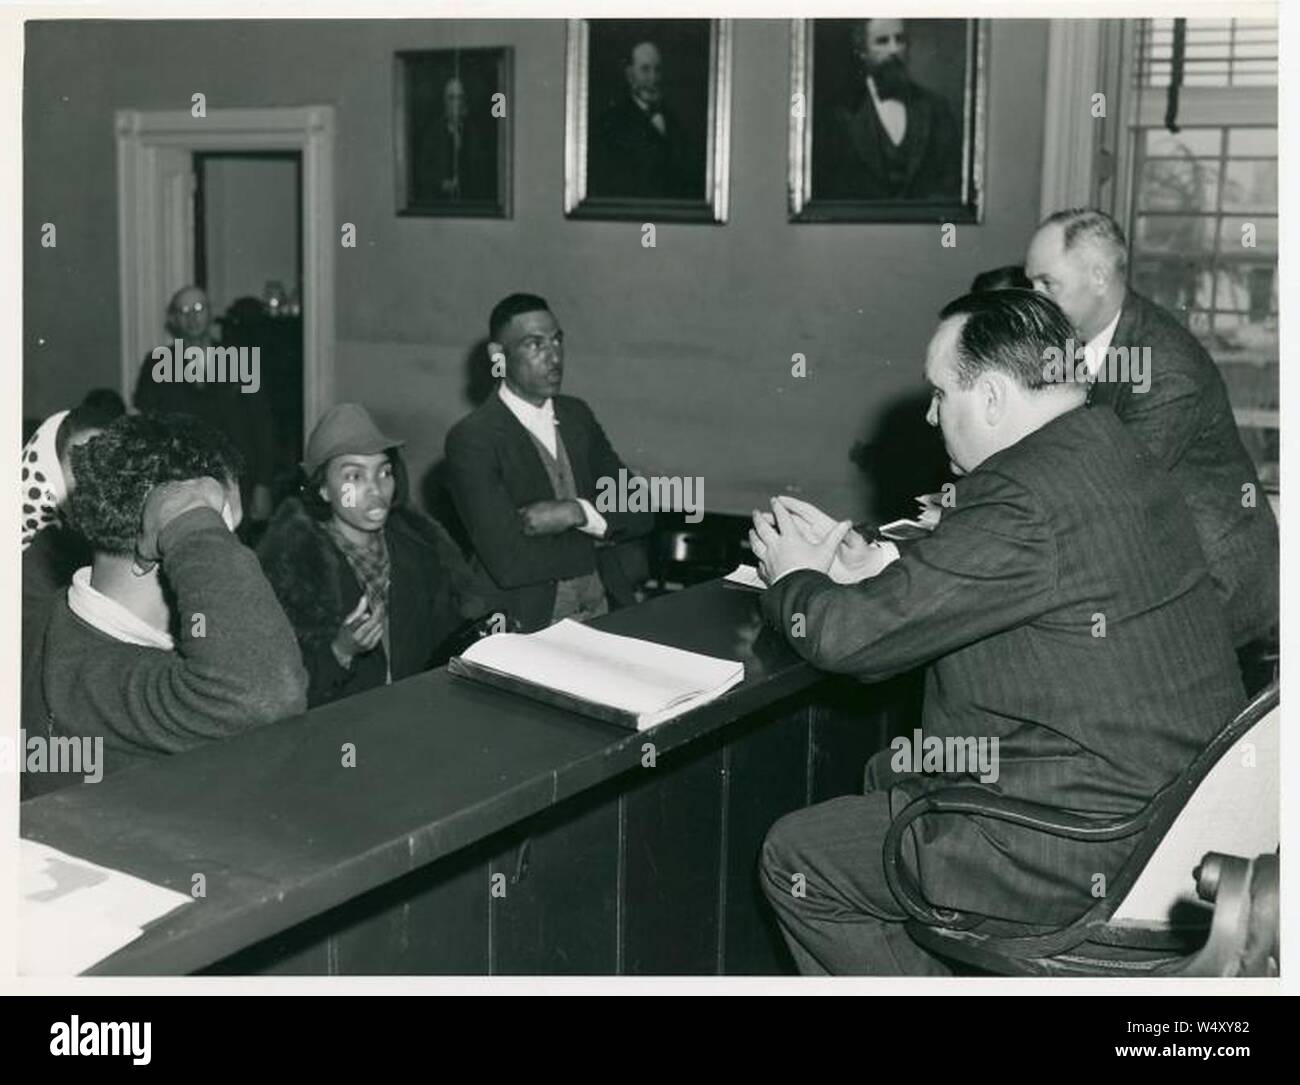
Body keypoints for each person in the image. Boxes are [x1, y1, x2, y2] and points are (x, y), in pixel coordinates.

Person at [751, 290, 1245, 975]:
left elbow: (847, 641)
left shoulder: (1020, 492)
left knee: (797, 855)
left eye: (937, 393)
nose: (928, 415)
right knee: (889, 770)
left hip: (1076, 844)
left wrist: (793, 577)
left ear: (988, 398)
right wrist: (890, 563)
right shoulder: (1111, 449)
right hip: (1173, 818)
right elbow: (1032, 576)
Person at [1025, 208, 1278, 655]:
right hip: (1151, 555)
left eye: (1048, 285)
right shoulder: (1075, 342)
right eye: (1031, 284)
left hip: (1215, 582)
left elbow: (1106, 493)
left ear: (1100, 277)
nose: (1034, 300)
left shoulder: (1164, 364)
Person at [22, 413, 307, 795]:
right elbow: (268, 693)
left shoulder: (36, 623)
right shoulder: (137, 685)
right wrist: (192, 521)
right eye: (224, 534)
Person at [258, 403, 502, 708]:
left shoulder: (421, 555)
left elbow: (445, 656)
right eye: (354, 476)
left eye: (384, 472)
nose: (375, 489)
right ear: (322, 489)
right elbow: (278, 693)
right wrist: (340, 651)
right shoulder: (293, 571)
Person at [445, 294, 655, 632]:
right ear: (498, 356)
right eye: (534, 344)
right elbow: (511, 563)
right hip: (527, 627)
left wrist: (578, 512)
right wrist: (605, 535)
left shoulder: (577, 417)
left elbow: (641, 509)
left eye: (557, 340)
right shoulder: (472, 439)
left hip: (606, 615)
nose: (554, 356)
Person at [134, 285, 276, 530]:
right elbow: (148, 428)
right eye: (183, 310)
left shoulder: (240, 360)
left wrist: (264, 484)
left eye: (199, 308)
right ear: (174, 319)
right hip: (180, 483)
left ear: (211, 314)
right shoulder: (157, 364)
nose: (192, 316)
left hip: (236, 482)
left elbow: (263, 425)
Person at [820, 18, 962, 201]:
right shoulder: (839, 115)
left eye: (900, 39)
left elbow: (951, 186)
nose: (894, 50)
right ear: (862, 51)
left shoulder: (937, 109)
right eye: (882, 41)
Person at [590, 40, 699, 199]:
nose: (653, 78)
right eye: (645, 70)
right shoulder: (611, 123)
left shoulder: (675, 120)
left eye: (658, 70)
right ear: (630, 75)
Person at [413, 75, 496, 203]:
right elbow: (423, 173)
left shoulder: (475, 132)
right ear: (445, 101)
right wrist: (442, 184)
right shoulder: (432, 134)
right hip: (440, 205)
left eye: (460, 97)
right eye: (452, 98)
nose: (457, 103)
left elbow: (483, 171)